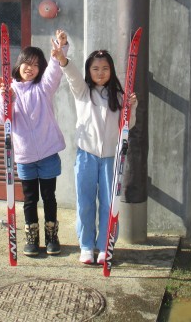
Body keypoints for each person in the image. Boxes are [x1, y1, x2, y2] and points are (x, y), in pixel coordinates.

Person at [52, 40, 137, 265]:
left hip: (111, 158)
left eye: (105, 68)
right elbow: (72, 76)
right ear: (89, 71)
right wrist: (63, 59)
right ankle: (86, 246)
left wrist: (132, 107)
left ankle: (105, 246)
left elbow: (128, 126)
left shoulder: (119, 96)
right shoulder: (83, 91)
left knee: (109, 204)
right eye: (95, 68)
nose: (100, 72)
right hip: (86, 156)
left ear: (111, 71)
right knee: (85, 202)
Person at [0, 30, 68, 257]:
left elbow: (54, 72)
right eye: (27, 63)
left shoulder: (43, 88)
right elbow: (0, 118)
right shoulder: (8, 90)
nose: (30, 68)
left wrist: (61, 50)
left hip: (48, 154)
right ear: (19, 65)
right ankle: (32, 239)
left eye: (36, 65)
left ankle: (52, 237)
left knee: (49, 197)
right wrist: (6, 100)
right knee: (29, 199)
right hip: (24, 157)